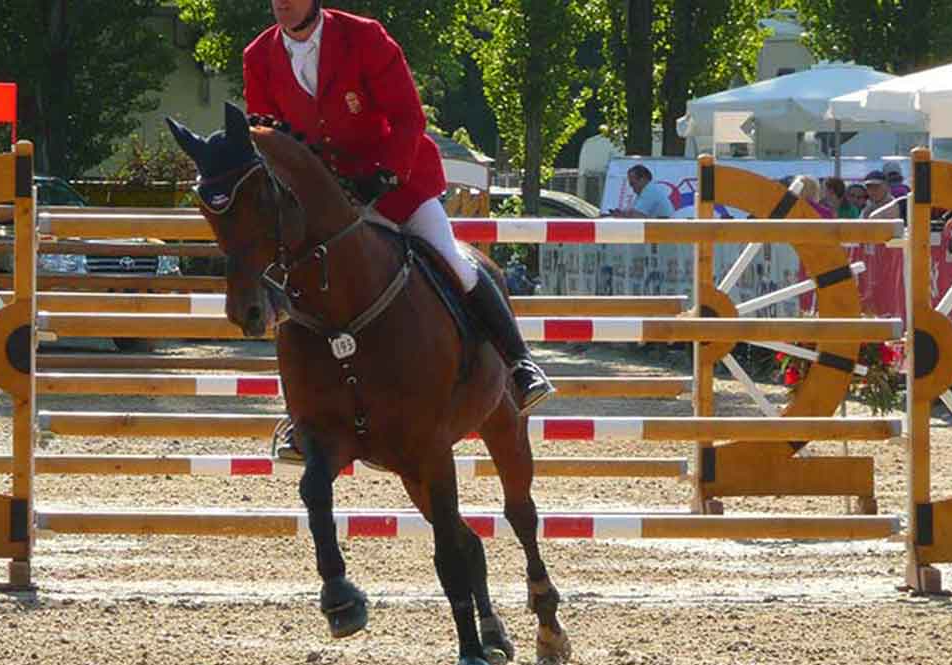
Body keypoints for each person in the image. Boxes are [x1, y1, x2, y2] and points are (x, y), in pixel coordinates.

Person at [243, 0, 553, 459]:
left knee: (452, 259)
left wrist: (382, 175)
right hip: (324, 206)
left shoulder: (365, 37)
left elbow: (409, 117)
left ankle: (520, 365)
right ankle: (300, 416)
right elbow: (266, 134)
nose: (282, 3)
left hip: (396, 185)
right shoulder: (258, 56)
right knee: (300, 292)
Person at [607, 165, 675, 218]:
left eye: (632, 183)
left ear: (642, 179)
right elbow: (634, 213)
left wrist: (621, 215)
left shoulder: (649, 191)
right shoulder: (649, 189)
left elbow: (637, 216)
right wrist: (623, 214)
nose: (631, 187)